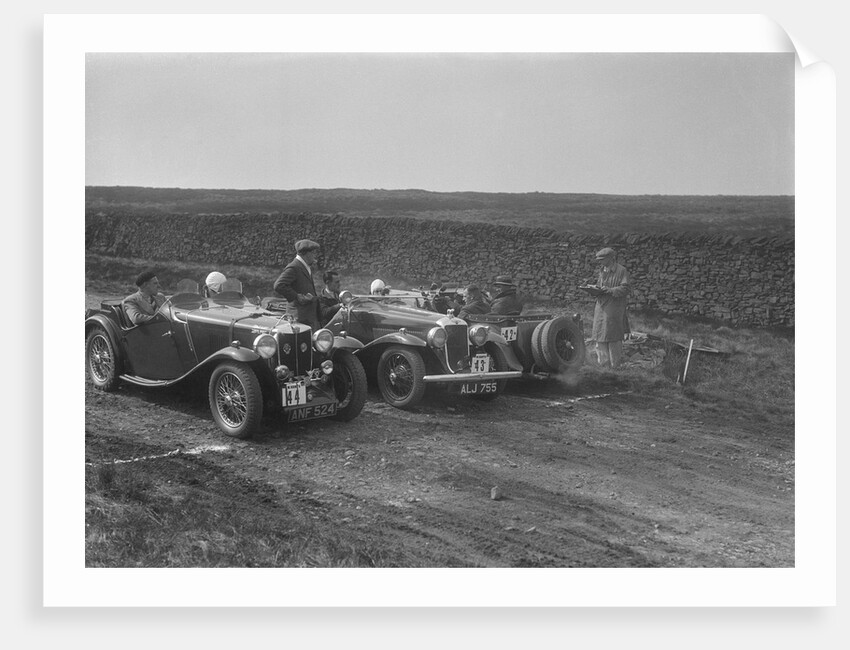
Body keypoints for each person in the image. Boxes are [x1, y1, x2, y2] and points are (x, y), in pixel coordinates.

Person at [591, 247, 631, 369]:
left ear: (610, 258)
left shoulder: (622, 270)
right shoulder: (602, 270)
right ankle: (603, 366)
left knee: (613, 337)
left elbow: (625, 289)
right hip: (601, 307)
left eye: (602, 259)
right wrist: (594, 289)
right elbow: (600, 286)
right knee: (600, 336)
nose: (600, 262)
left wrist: (610, 290)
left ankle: (615, 367)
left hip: (614, 308)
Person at [273, 239, 322, 329]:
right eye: (313, 253)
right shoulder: (294, 267)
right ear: (307, 254)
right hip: (299, 318)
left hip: (307, 317)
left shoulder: (304, 266)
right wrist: (297, 296)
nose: (314, 256)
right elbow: (279, 285)